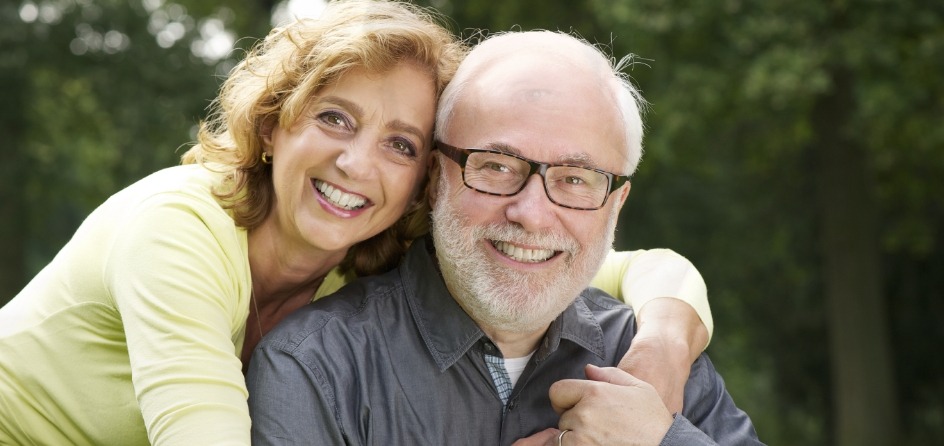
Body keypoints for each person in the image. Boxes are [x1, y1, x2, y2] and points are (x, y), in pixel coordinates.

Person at [0, 1, 708, 445]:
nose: (356, 165)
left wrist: (662, 353)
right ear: (275, 125)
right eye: (334, 118)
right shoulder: (175, 230)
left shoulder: (371, 245)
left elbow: (627, 265)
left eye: (399, 144)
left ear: (424, 176)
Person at [247, 30, 761, 445]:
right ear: (433, 178)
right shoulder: (316, 367)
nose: (532, 215)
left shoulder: (653, 359)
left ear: (614, 205)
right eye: (495, 166)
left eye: (575, 179)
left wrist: (664, 441)